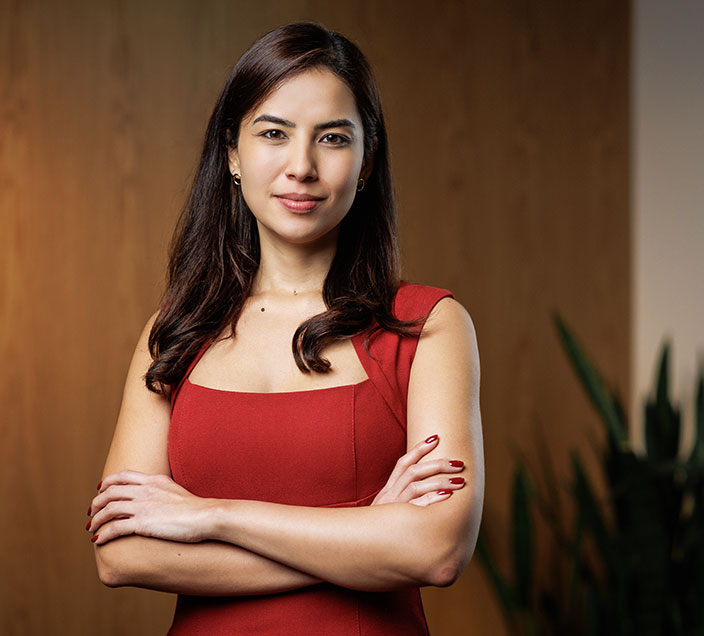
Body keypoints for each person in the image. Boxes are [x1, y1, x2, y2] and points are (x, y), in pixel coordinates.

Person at [87, 21, 483, 635]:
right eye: (274, 133)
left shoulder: (427, 326)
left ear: (367, 158)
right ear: (232, 154)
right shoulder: (175, 331)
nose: (302, 166)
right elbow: (120, 552)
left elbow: (436, 550)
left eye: (332, 138)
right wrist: (367, 533)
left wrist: (212, 518)